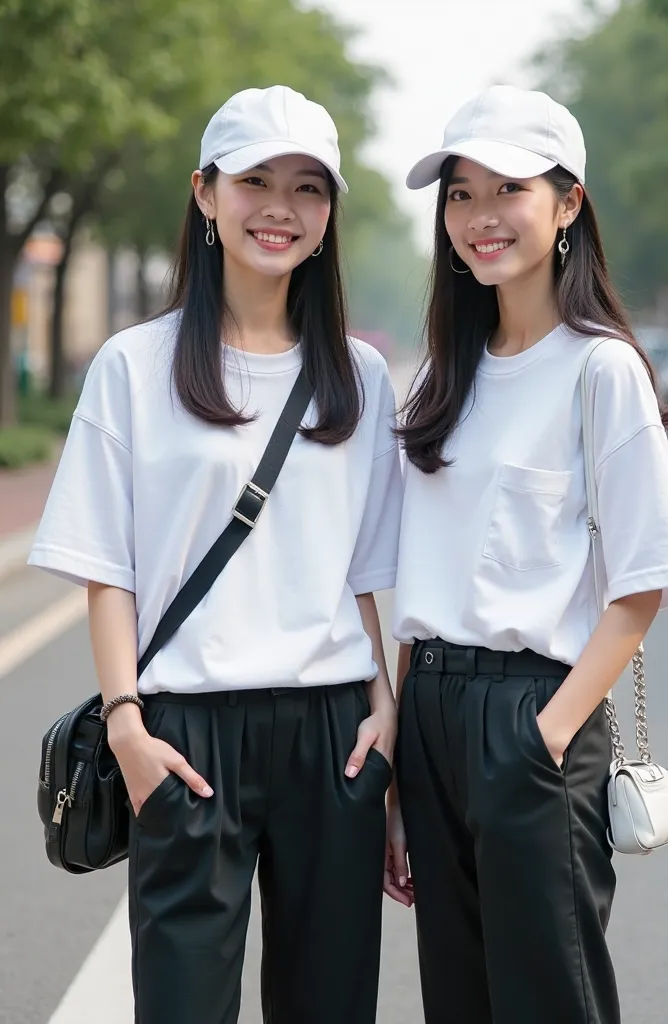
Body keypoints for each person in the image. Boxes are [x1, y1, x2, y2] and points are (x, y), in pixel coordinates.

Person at [29, 85, 401, 1024]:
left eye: (309, 188)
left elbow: (359, 573)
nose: (281, 207)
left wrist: (383, 712)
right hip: (185, 737)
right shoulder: (134, 365)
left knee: (331, 1003)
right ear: (205, 193)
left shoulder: (358, 377)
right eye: (256, 180)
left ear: (329, 213)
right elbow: (105, 566)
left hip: (333, 738)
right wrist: (125, 723)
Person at [385, 85, 668, 1024]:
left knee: (549, 998)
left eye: (508, 190)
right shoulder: (444, 378)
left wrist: (548, 735)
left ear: (568, 203)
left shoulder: (598, 367)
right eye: (459, 194)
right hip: (434, 712)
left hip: (531, 713)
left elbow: (644, 578)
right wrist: (410, 771)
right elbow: (422, 583)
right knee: (460, 998)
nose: (481, 218)